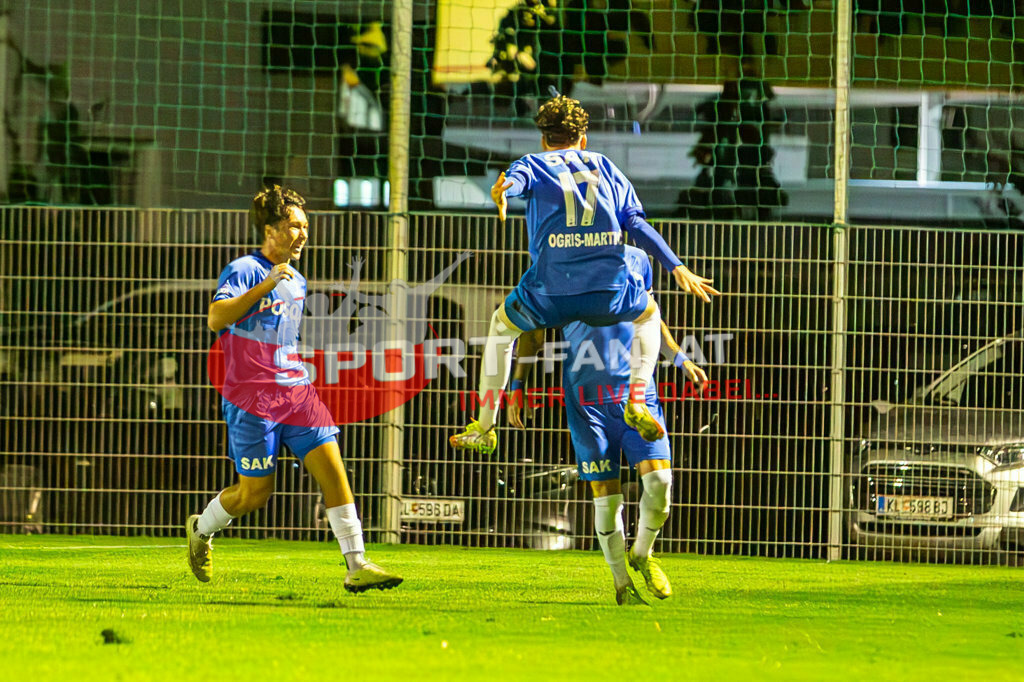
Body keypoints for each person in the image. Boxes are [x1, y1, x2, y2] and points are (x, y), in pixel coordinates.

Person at [450, 95, 718, 455]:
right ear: (583, 139)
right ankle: (637, 399)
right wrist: (677, 265)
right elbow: (635, 222)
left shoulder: (534, 163)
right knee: (649, 316)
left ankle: (484, 426)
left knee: (501, 328)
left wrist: (503, 191)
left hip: (552, 293)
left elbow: (516, 180)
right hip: (608, 293)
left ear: (544, 139)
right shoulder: (605, 166)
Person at [186, 185, 402, 593]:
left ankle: (357, 565)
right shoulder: (246, 269)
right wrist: (264, 286)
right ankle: (201, 528)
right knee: (255, 495)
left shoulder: (298, 280)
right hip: (251, 400)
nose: (302, 234)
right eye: (293, 226)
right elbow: (216, 319)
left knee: (334, 472)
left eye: (305, 226)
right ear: (270, 230)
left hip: (297, 393)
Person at [507, 246, 707, 605]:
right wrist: (518, 386)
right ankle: (621, 584)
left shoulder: (636, 259)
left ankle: (642, 554)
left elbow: (648, 313)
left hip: (637, 395)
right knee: (606, 498)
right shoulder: (557, 261)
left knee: (660, 484)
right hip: (588, 404)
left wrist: (679, 358)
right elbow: (534, 333)